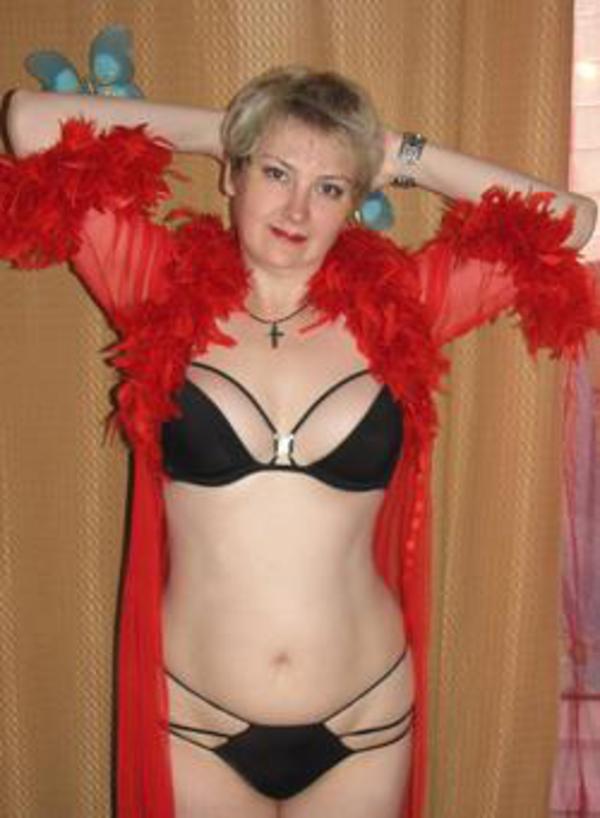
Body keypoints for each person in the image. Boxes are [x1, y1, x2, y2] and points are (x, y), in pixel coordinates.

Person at [0, 67, 597, 818]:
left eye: (330, 187)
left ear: (355, 200)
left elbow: (570, 221)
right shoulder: (156, 285)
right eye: (276, 173)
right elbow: (27, 124)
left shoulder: (403, 307)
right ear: (233, 174)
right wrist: (231, 131)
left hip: (364, 718)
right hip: (196, 720)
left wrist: (396, 155)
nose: (296, 209)